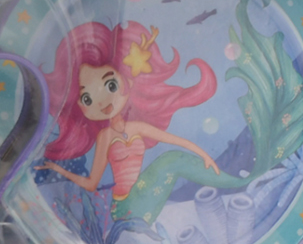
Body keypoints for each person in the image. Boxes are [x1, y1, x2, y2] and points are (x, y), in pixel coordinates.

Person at [39, 21, 220, 221]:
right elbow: (91, 183)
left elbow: (175, 141)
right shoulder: (105, 137)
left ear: (129, 81)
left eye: (111, 85)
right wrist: (58, 168)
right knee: (170, 164)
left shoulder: (137, 127)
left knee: (171, 160)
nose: (103, 101)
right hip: (124, 205)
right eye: (87, 99)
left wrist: (205, 156)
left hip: (144, 195)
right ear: (78, 106)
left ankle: (221, 182)